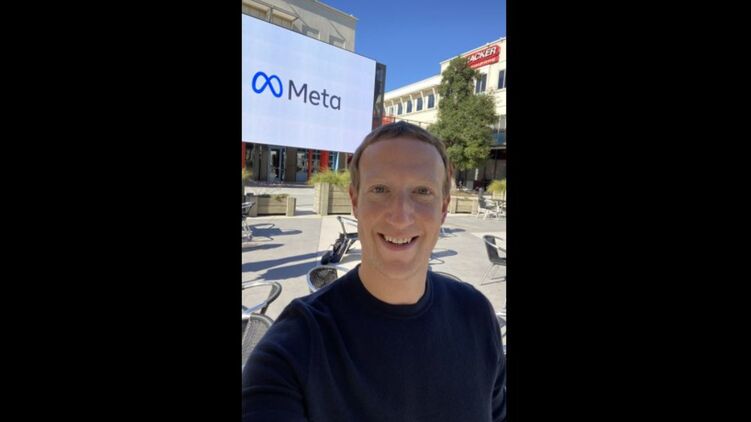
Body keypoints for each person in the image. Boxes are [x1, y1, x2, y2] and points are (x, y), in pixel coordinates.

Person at [242, 121, 506, 421]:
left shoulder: (477, 317)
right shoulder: (295, 347)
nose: (400, 216)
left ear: (443, 208)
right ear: (355, 202)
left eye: (422, 191)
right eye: (380, 189)